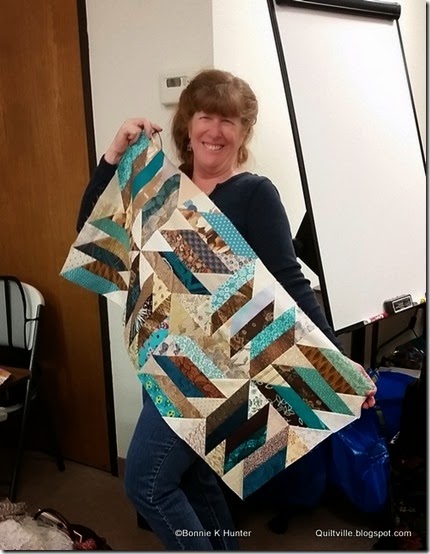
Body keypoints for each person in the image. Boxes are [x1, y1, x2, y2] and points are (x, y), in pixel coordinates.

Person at [76, 69, 376, 550]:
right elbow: (95, 229)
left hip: (216, 372)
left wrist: (337, 360)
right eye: (205, 116)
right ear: (188, 124)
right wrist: (113, 155)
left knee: (147, 483)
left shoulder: (254, 194)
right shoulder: (163, 188)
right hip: (160, 356)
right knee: (195, 480)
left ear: (243, 131)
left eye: (228, 121)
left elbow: (290, 281)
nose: (215, 131)